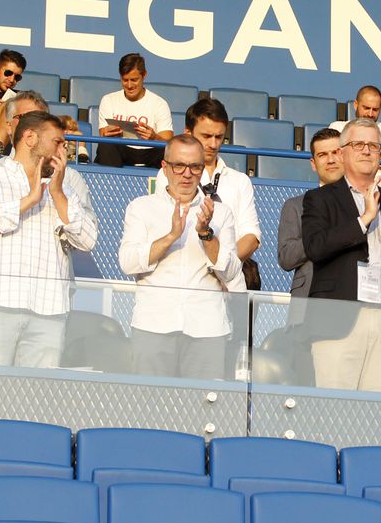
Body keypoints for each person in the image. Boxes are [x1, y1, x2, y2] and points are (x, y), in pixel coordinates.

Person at [0, 111, 98, 367]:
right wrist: (28, 202)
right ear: (30, 137)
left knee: (37, 400)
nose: (64, 148)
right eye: (57, 141)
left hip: (49, 309)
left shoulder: (65, 189)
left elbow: (88, 241)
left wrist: (56, 194)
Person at [301, 118, 381, 392]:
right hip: (339, 320)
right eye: (358, 144)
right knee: (334, 415)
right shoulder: (320, 199)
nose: (367, 150)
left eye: (374, 145)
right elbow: (315, 247)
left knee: (379, 420)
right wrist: (364, 219)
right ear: (342, 151)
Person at [119, 135, 240, 379]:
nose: (187, 174)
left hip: (207, 328)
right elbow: (128, 262)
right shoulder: (141, 207)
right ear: (164, 167)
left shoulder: (220, 213)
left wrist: (206, 234)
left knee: (204, 409)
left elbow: (230, 272)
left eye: (195, 167)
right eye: (179, 166)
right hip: (154, 325)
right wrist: (171, 236)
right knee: (149, 409)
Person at [155, 98, 259, 295]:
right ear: (188, 133)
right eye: (206, 136)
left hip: (231, 282)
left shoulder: (240, 180)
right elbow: (166, 227)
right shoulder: (166, 175)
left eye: (219, 137)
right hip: (185, 281)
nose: (213, 144)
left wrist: (223, 266)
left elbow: (251, 237)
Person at [277, 127, 343, 385]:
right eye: (323, 154)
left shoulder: (366, 203)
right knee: (308, 392)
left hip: (354, 313)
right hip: (307, 315)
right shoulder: (295, 206)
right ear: (313, 164)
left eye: (337, 152)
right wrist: (324, 234)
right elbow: (286, 257)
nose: (331, 159)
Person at [95, 53, 172, 168]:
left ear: (144, 75)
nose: (129, 85)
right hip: (120, 150)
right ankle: (110, 183)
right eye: (125, 80)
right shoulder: (108, 100)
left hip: (150, 152)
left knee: (167, 152)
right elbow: (102, 133)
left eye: (134, 80)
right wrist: (108, 133)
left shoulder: (159, 103)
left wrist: (154, 137)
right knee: (105, 144)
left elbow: (169, 142)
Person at [329, 85, 381, 172]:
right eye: (366, 108)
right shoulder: (337, 128)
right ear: (355, 105)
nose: (370, 114)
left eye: (375, 110)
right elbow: (331, 160)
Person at [0, 91, 49, 157]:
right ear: (9, 126)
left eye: (37, 118)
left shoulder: (56, 166)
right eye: (24, 117)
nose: (31, 123)